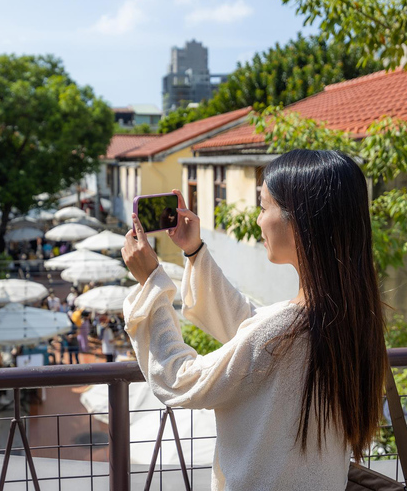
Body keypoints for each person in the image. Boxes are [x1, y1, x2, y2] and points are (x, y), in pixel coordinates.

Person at [121, 150, 387, 490]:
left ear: (301, 221)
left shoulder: (287, 328)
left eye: (264, 207)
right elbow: (255, 332)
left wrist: (152, 285)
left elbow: (181, 381)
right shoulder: (351, 315)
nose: (259, 220)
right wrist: (194, 252)